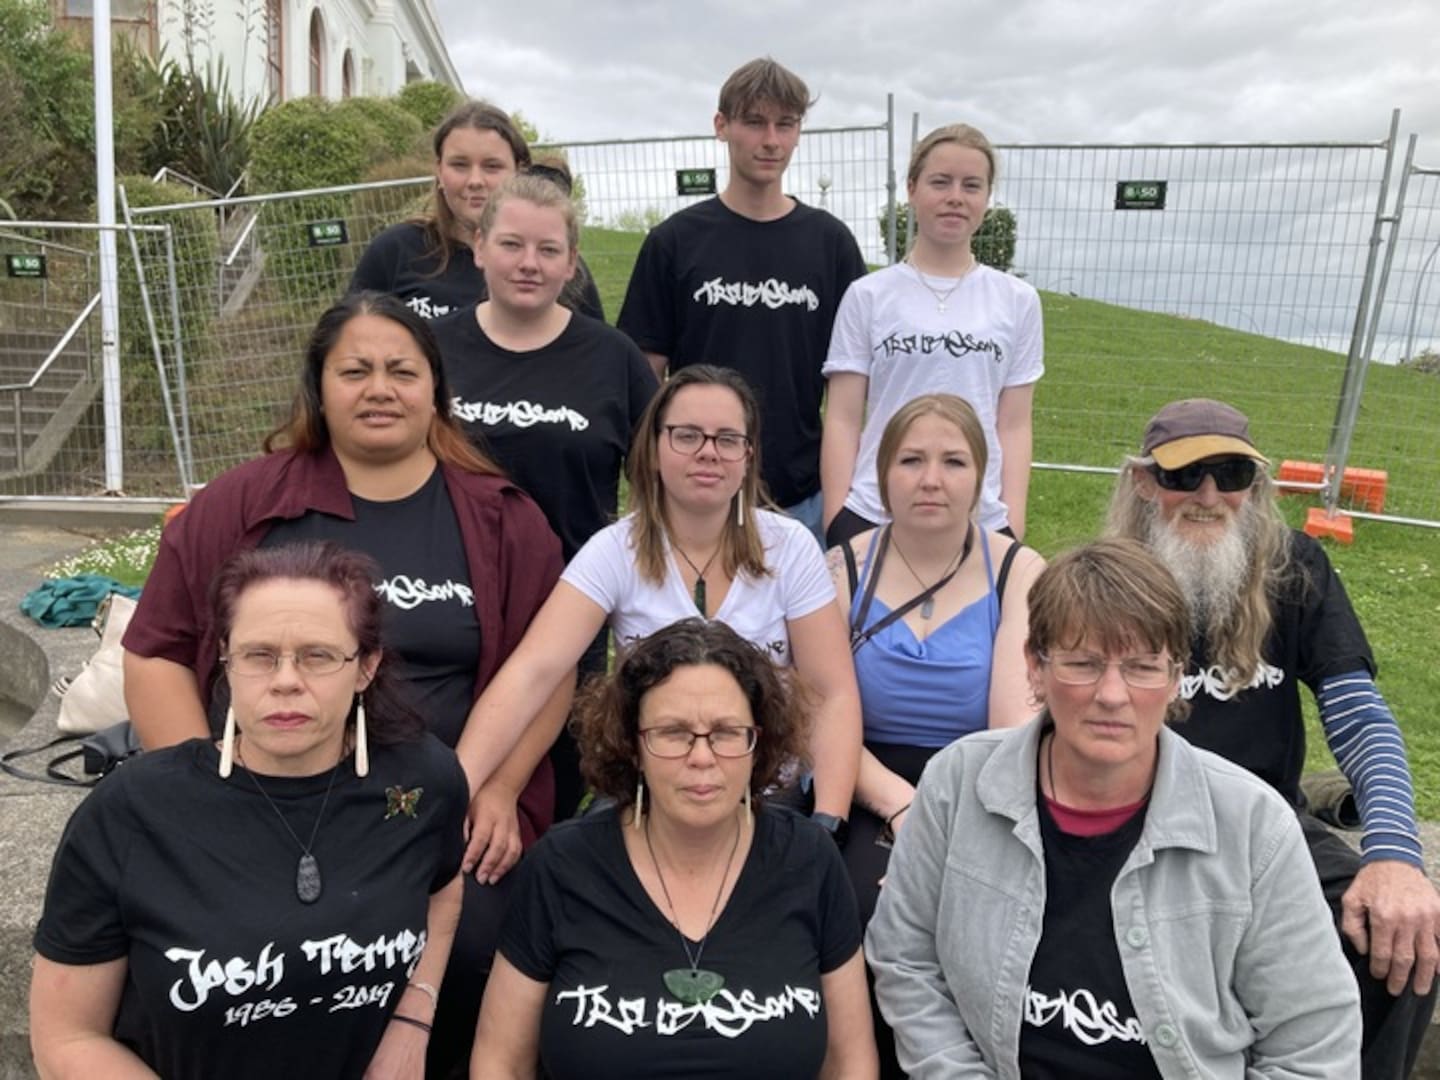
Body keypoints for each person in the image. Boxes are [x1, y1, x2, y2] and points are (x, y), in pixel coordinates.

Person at [120, 291, 566, 1078]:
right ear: (318, 389)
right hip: (260, 801)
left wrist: (500, 788)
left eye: (402, 370)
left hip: (436, 814)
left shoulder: (501, 517)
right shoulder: (242, 506)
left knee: (478, 950)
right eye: (354, 370)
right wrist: (202, 798)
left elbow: (548, 670)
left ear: (436, 388)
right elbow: (157, 650)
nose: (379, 388)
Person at [866, 538, 1362, 1078]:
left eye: (1142, 667)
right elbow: (904, 957)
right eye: (1083, 663)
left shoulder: (1253, 826)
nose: (1112, 694)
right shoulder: (958, 784)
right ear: (1035, 666)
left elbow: (1314, 1039)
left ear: (1175, 676)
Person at [32, 542, 468, 1080]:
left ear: (366, 667)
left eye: (318, 655)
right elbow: (66, 1036)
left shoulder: (424, 782)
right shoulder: (131, 813)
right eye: (259, 655)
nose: (286, 680)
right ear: (225, 661)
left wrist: (413, 1018)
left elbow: (443, 890)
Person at [1106, 397, 1440, 1078]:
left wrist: (1397, 855)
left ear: (1254, 487)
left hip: (1266, 829)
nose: (1208, 495)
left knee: (1402, 938)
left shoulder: (1295, 567)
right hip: (1131, 830)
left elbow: (1359, 716)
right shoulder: (1108, 578)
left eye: (1230, 474)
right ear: (1144, 482)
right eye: (1183, 475)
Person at [452, 364, 863, 856]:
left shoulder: (790, 547)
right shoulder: (614, 550)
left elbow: (830, 692)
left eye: (728, 438)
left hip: (767, 797)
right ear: (654, 447)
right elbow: (534, 671)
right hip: (649, 796)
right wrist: (458, 793)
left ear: (748, 455)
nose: (708, 451)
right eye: (687, 435)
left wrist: (827, 823)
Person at [471, 618, 878, 1079]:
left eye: (726, 731)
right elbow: (499, 1063)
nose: (702, 757)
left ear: (758, 742)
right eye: (673, 732)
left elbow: (851, 1064)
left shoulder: (810, 861)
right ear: (632, 745)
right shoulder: (561, 868)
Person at [430, 172, 657, 819]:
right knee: (451, 776)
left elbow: (659, 481)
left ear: (571, 261)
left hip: (571, 605)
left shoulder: (611, 358)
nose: (529, 263)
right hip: (452, 600)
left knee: (551, 785)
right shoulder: (435, 351)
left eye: (548, 250)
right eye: (511, 244)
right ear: (479, 247)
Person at [829, 394, 1043, 1078]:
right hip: (864, 776)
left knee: (983, 912)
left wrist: (946, 823)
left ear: (980, 477)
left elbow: (1012, 727)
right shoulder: (841, 569)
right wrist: (900, 806)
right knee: (864, 903)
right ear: (882, 474)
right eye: (911, 460)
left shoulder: (1018, 571)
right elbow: (823, 715)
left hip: (986, 782)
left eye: (953, 462)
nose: (931, 479)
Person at [617, 57, 868, 539]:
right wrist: (650, 480)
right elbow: (643, 374)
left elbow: (852, 381)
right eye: (754, 122)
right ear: (722, 126)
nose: (770, 140)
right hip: (697, 496)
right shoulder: (675, 242)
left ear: (798, 132)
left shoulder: (830, 243)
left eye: (785, 124)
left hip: (803, 498)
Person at [821, 124, 1043, 548]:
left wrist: (1012, 521)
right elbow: (843, 416)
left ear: (987, 197)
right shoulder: (868, 295)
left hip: (979, 516)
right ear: (912, 188)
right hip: (875, 511)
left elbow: (1014, 424)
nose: (955, 197)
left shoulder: (1018, 300)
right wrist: (838, 518)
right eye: (940, 182)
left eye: (972, 185)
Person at [349, 100, 603, 322]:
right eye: (459, 165)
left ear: (519, 170)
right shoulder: (394, 251)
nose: (475, 181)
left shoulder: (553, 265)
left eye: (492, 166)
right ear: (439, 170)